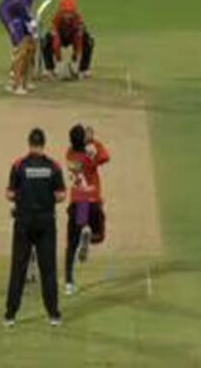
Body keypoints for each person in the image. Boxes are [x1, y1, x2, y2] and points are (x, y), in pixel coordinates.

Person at [4, 128, 66, 327]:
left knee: (18, 269)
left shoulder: (19, 165)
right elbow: (61, 195)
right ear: (43, 144)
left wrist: (23, 197)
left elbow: (9, 194)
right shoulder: (53, 166)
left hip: (23, 223)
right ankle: (53, 315)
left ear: (29, 143)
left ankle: (10, 315)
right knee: (48, 270)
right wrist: (46, 196)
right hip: (46, 224)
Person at [64, 124, 110, 295]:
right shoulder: (91, 152)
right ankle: (88, 236)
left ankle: (69, 283)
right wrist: (92, 141)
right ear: (83, 139)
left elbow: (81, 154)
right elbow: (105, 157)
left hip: (79, 202)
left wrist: (86, 141)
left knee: (71, 244)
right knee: (99, 236)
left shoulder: (69, 154)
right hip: (93, 200)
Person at [0, 0, 46, 95]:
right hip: (9, 12)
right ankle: (14, 83)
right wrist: (30, 20)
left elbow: (30, 2)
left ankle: (26, 79)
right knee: (21, 47)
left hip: (22, 13)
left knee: (32, 45)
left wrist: (31, 19)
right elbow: (23, 2)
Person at [41, 0, 95, 79]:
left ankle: (84, 69)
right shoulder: (57, 18)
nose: (68, 16)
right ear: (61, 11)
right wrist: (59, 60)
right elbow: (56, 40)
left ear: (74, 12)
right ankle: (49, 69)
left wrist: (75, 58)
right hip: (60, 36)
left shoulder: (78, 19)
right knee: (46, 40)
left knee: (88, 40)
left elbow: (78, 40)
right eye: (65, 13)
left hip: (73, 37)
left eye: (70, 13)